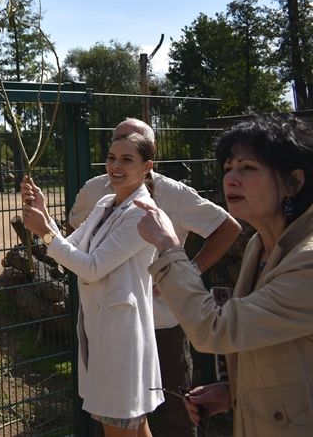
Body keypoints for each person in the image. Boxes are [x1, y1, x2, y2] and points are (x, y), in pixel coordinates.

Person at [137, 114, 313, 436]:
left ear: (294, 183)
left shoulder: (307, 262)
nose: (231, 178)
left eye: (248, 168)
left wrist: (169, 247)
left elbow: (215, 330)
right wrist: (234, 392)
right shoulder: (260, 246)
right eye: (228, 168)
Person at [69, 118, 241, 436]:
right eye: (116, 145)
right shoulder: (96, 190)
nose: (120, 156)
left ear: (150, 156)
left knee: (178, 415)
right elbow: (76, 236)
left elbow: (227, 227)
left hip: (163, 323)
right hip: (112, 327)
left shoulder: (174, 193)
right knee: (126, 421)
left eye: (132, 146)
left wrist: (188, 270)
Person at [22, 133, 163, 436]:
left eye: (127, 159)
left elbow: (92, 267)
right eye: (112, 158)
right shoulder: (104, 203)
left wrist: (44, 232)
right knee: (134, 427)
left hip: (121, 339)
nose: (115, 166)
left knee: (118, 426)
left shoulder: (142, 213)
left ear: (147, 167)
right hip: (101, 332)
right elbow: (72, 248)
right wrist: (44, 213)